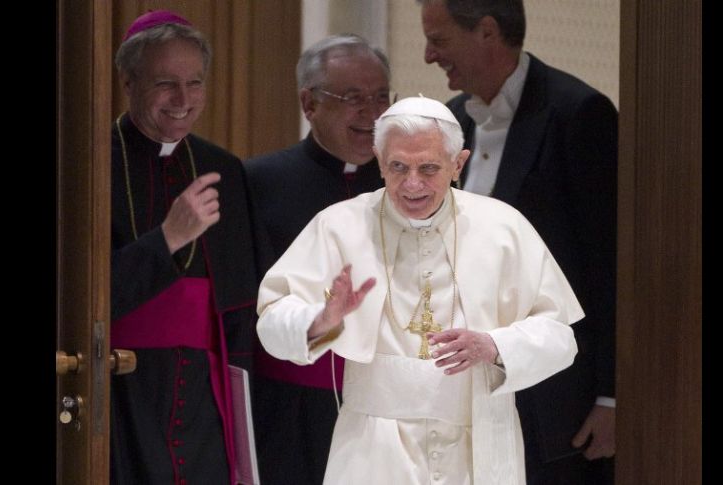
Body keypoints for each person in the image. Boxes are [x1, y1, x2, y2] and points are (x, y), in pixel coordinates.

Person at [256, 96, 583, 485]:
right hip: (374, 451)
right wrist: (319, 320)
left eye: (428, 168)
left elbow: (560, 336)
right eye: (398, 167)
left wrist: (495, 346)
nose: (412, 184)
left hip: (476, 443)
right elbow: (272, 320)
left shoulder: (503, 228)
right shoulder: (338, 226)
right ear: (379, 161)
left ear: (458, 164)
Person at [418, 1, 618, 483]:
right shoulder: (449, 121)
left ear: (487, 32)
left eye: (439, 40)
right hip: (460, 395)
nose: (427, 55)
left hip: (554, 402)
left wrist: (614, 397)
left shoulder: (578, 114)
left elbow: (611, 267)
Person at [110, 10, 258, 485]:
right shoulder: (87, 163)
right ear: (128, 82)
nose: (183, 100)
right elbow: (80, 300)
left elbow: (239, 309)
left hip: (202, 397)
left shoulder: (223, 168)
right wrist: (169, 239)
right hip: (117, 391)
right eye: (165, 84)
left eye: (195, 83)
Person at [242, 34, 388, 485]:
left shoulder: (411, 187)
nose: (372, 112)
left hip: (383, 404)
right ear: (309, 103)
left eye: (382, 96)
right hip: (287, 407)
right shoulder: (257, 182)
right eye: (353, 98)